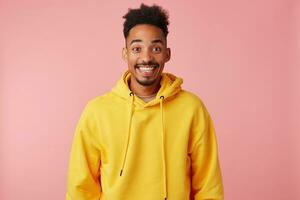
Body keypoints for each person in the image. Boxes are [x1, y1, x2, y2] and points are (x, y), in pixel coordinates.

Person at [66, 3, 224, 200]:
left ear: (167, 53)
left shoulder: (192, 109)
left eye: (156, 48)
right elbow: (81, 188)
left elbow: (208, 186)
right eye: (137, 48)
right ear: (125, 53)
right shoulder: (97, 112)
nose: (146, 57)